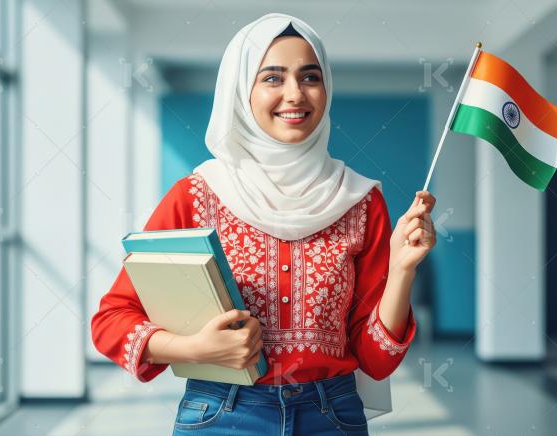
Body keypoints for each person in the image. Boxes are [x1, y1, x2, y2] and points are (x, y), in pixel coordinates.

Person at [91, 12, 437, 435]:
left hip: (333, 415)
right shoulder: (197, 195)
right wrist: (193, 348)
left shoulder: (362, 201)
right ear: (241, 91)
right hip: (221, 414)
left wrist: (402, 269)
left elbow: (377, 359)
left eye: (310, 77)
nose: (295, 94)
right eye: (272, 78)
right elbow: (112, 320)